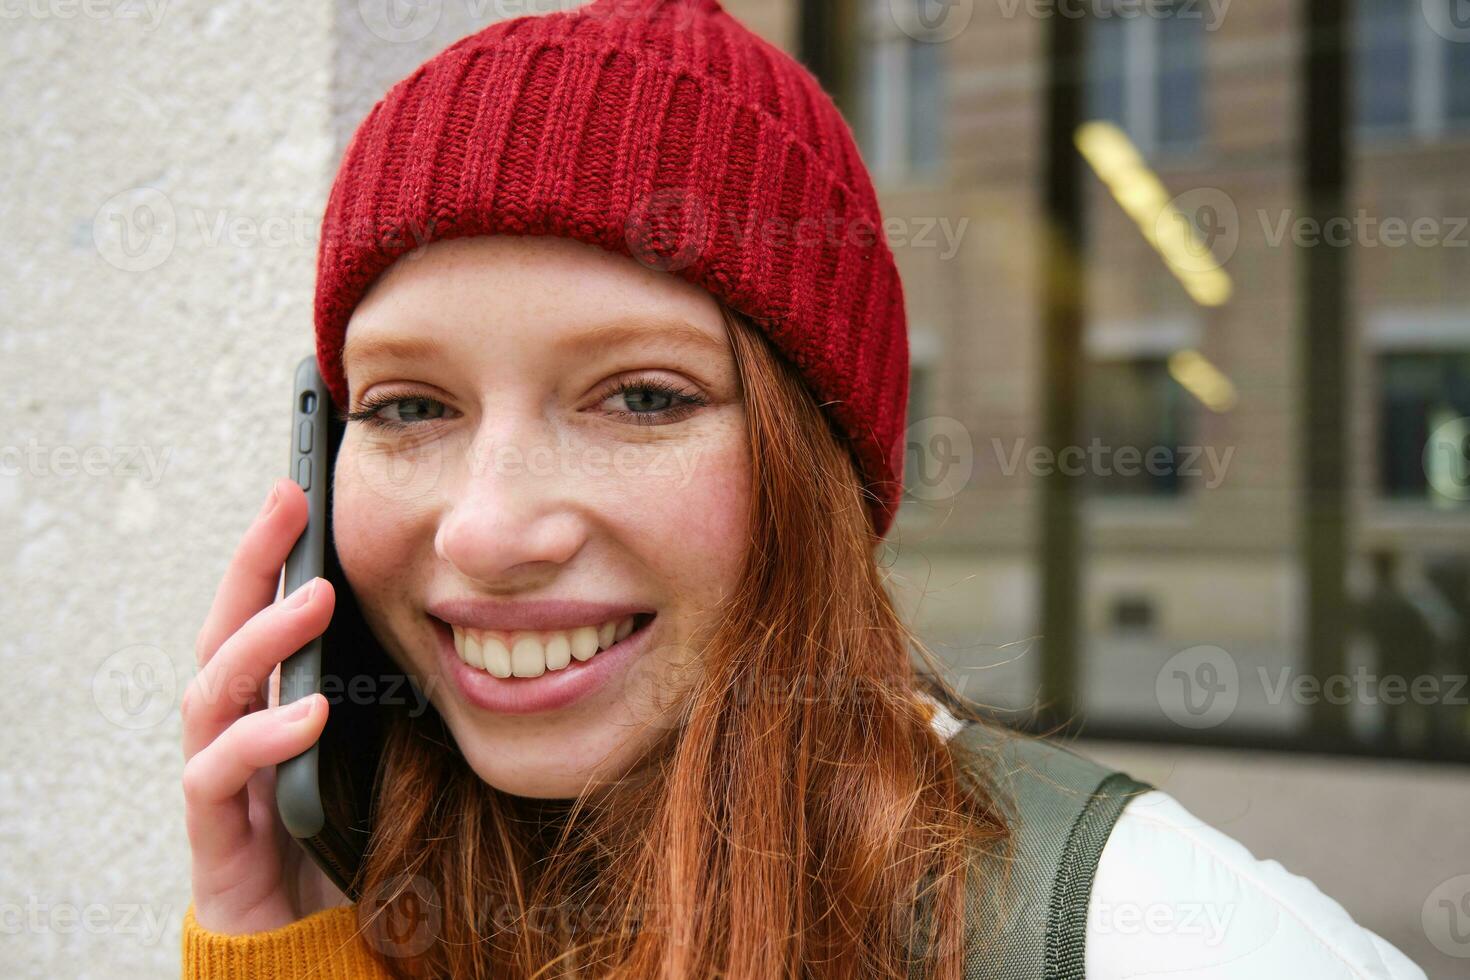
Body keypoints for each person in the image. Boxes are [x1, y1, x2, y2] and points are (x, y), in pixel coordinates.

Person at [178, 1, 1426, 976]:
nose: (493, 527)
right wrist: (286, 938)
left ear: (816, 474)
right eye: (409, 407)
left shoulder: (1163, 939)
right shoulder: (369, 894)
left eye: (644, 397)